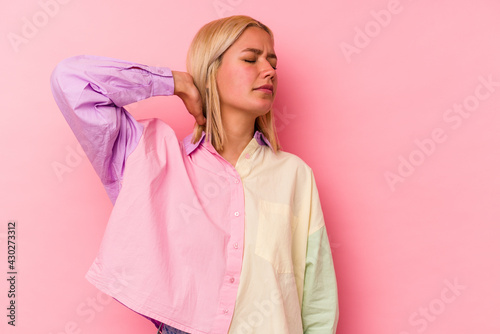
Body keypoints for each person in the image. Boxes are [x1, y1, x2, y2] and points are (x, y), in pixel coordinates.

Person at [50, 15, 339, 334]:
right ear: (211, 71)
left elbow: (317, 301)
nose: (269, 70)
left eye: (272, 60)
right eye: (250, 58)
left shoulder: (295, 175)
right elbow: (71, 79)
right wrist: (175, 82)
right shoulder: (151, 159)